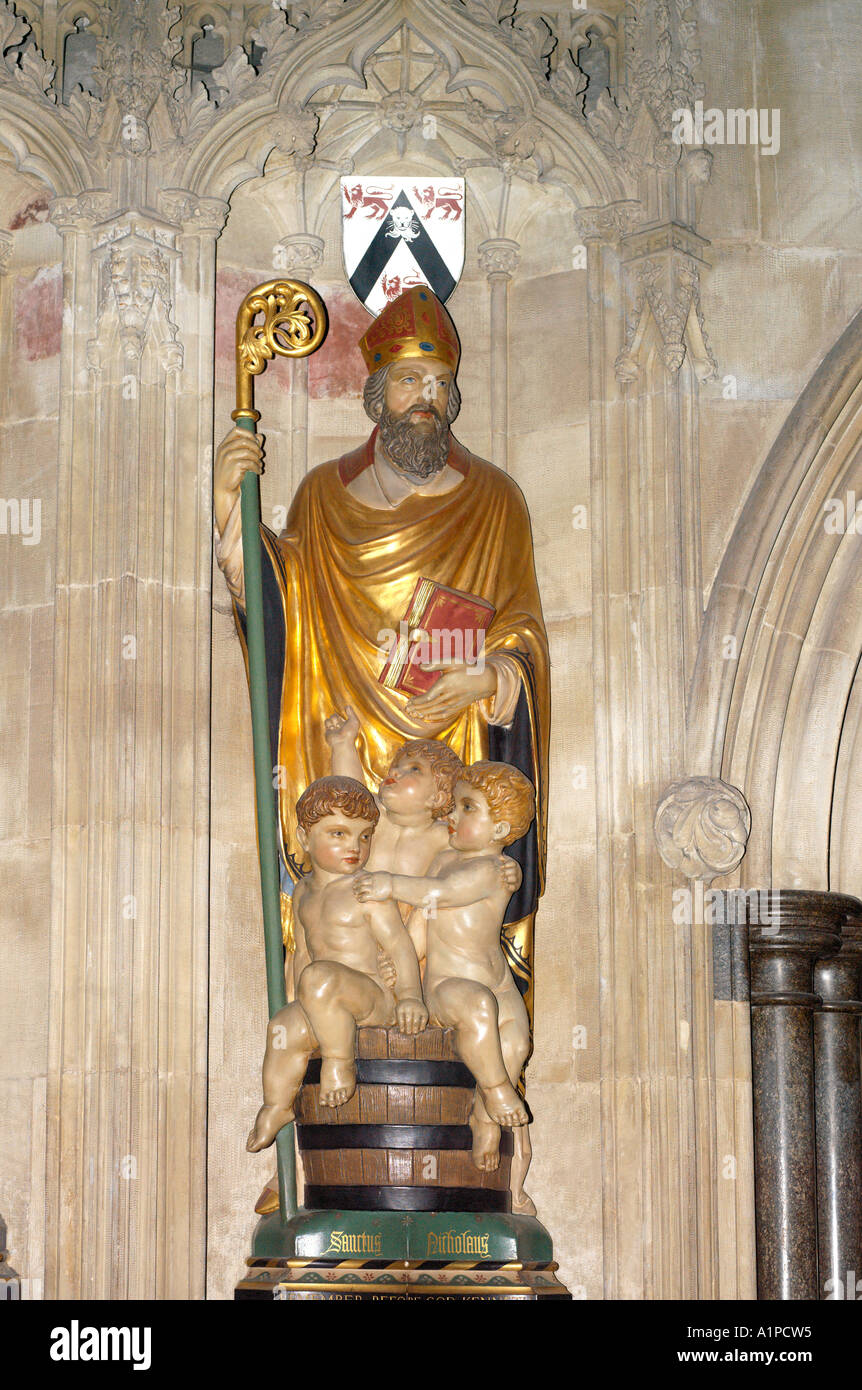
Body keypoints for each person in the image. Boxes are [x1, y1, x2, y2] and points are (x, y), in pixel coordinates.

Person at [214, 286, 549, 1030]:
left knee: (441, 908)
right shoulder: (321, 498)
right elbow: (283, 609)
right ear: (375, 394)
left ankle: (441, 1028)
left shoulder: (495, 500)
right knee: (350, 903)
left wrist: (488, 674)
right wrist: (230, 513)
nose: (427, 397)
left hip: (451, 743)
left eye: (440, 384)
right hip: (345, 730)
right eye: (409, 380)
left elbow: (521, 630)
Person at [354, 760, 536, 1214]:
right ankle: (495, 1092)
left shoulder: (498, 867)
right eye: (454, 805)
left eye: (467, 807)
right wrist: (407, 962)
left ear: (503, 828)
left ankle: (483, 1109)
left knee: (515, 1041)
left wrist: (391, 884)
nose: (452, 815)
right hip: (448, 987)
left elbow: (446, 894)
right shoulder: (442, 857)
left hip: (498, 984)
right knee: (476, 1008)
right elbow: (426, 916)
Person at [246, 775, 427, 1153]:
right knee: (283, 1026)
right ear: (303, 837)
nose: (355, 847)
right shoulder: (303, 894)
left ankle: (339, 1061)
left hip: (372, 998)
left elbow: (399, 944)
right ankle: (277, 1105)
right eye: (339, 834)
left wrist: (409, 995)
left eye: (364, 836)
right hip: (321, 997)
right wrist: (295, 1001)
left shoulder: (367, 890)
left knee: (319, 978)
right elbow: (303, 953)